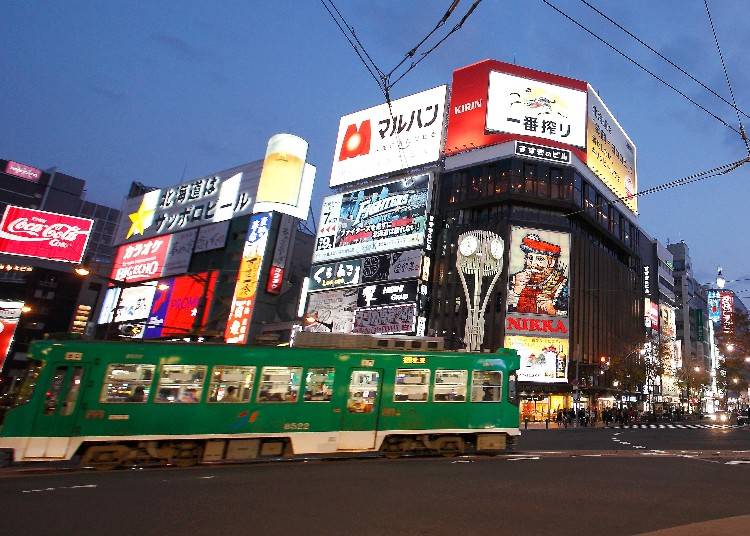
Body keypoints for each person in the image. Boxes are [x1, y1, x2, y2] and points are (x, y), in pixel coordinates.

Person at [507, 233, 569, 315]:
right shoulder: (514, 280)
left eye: (539, 259)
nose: (533, 264)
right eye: (530, 258)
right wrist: (515, 293)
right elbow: (500, 310)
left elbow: (574, 316)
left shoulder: (563, 286)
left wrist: (553, 311)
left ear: (551, 262)